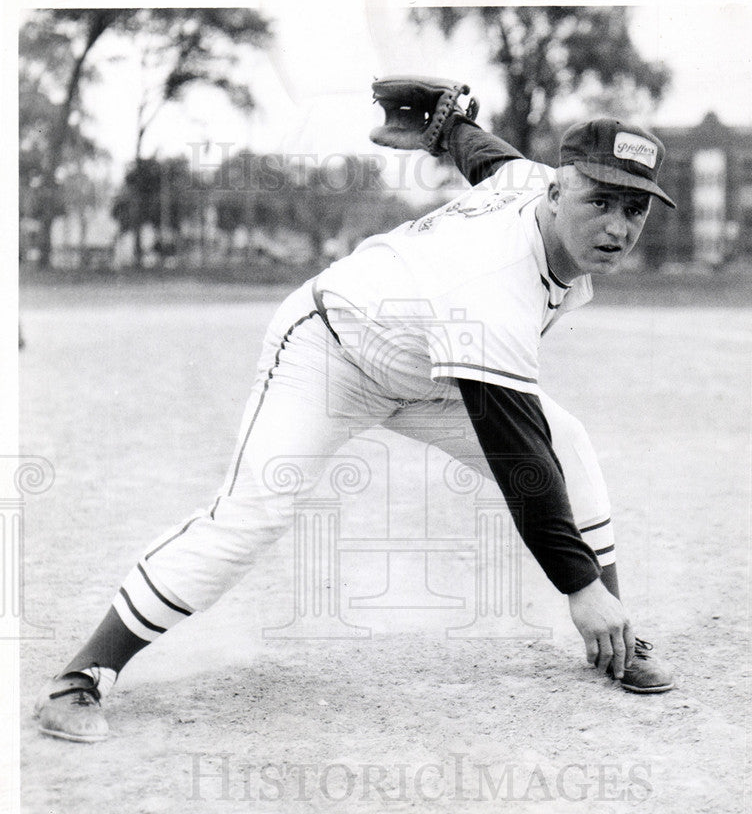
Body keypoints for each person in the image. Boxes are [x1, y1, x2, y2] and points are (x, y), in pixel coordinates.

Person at [34, 110, 676, 743]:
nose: (618, 226)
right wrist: (577, 584)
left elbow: (487, 155)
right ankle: (82, 675)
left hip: (431, 370)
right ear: (558, 190)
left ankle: (613, 636)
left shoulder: (527, 181)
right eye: (602, 202)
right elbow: (519, 459)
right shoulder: (496, 281)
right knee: (250, 517)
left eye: (635, 208)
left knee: (571, 445)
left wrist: (447, 126)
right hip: (332, 353)